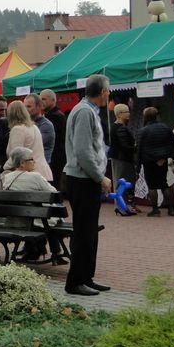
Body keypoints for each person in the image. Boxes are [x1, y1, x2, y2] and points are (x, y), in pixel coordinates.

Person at [64, 74, 113, 297]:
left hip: (86, 179)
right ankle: (75, 282)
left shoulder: (88, 110)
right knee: (84, 232)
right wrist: (100, 177)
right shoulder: (84, 112)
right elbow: (83, 151)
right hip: (83, 179)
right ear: (102, 92)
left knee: (90, 232)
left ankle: (86, 278)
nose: (109, 93)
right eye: (108, 90)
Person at [136, 107, 174, 217]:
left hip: (149, 162)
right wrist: (170, 157)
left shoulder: (142, 131)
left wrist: (138, 166)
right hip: (162, 160)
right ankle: (171, 209)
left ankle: (155, 210)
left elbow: (139, 149)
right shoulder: (165, 128)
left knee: (152, 186)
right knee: (164, 184)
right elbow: (173, 144)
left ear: (145, 117)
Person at [3, 100, 52, 181]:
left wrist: (5, 168)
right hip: (43, 172)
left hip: (29, 176)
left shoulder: (17, 129)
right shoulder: (34, 127)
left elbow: (16, 156)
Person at [109, 104, 137, 206]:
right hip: (123, 159)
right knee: (124, 181)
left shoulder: (115, 126)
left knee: (122, 181)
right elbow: (124, 146)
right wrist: (136, 147)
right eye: (126, 112)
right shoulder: (121, 128)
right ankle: (123, 205)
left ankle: (124, 205)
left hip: (119, 157)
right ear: (119, 114)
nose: (129, 114)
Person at [41, 89, 67, 190]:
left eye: (44, 99)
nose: (41, 102)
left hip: (55, 158)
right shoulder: (54, 115)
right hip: (56, 157)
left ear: (53, 100)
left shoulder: (54, 116)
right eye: (40, 99)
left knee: (53, 186)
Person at [24, 94, 55, 164]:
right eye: (24, 107)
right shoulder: (26, 124)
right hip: (29, 166)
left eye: (29, 106)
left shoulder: (46, 125)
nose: (25, 110)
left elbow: (31, 145)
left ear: (38, 107)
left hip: (41, 166)